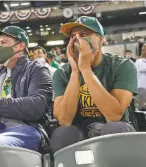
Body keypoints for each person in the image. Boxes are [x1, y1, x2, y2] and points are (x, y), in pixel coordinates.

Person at [50, 16, 137, 154]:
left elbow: (113, 116)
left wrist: (86, 70)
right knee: (62, 134)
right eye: (73, 36)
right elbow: (64, 120)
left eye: (84, 35)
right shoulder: (62, 73)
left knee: (114, 129)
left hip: (113, 126)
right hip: (78, 129)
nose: (78, 40)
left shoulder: (122, 66)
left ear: (100, 39)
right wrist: (75, 72)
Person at [135, 44, 146, 110]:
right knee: (141, 107)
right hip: (141, 88)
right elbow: (142, 68)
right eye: (143, 50)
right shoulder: (139, 61)